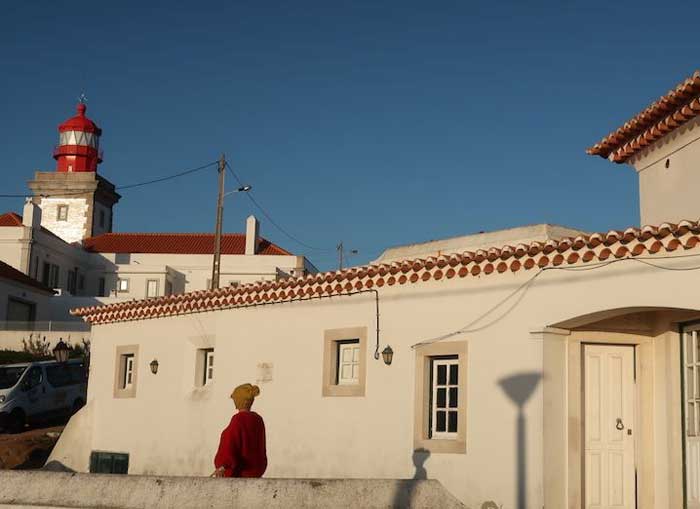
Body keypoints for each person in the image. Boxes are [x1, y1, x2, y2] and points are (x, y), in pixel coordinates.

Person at [212, 383, 267, 478]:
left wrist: (223, 466)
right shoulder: (258, 420)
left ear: (238, 401)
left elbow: (231, 443)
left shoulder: (238, 420)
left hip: (240, 474)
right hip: (256, 473)